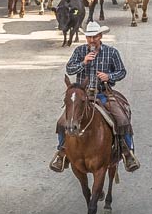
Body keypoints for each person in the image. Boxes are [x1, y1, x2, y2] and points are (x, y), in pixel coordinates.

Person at [52, 21, 140, 173]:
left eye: (95, 37)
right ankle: (62, 152)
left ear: (100, 36)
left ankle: (127, 153)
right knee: (62, 122)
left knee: (122, 119)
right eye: (89, 37)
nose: (92, 40)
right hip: (81, 96)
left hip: (103, 93)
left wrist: (109, 76)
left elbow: (121, 71)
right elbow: (69, 69)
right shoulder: (79, 52)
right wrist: (83, 62)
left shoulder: (111, 52)